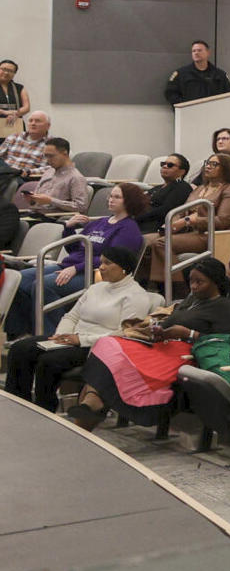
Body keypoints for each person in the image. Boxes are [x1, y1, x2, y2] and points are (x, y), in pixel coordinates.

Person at [67, 258, 230, 431]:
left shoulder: (223, 306)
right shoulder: (191, 300)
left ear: (215, 282)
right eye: (191, 281)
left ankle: (91, 405)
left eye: (200, 282)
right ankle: (92, 402)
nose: (194, 286)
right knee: (106, 345)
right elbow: (170, 323)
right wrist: (159, 330)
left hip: (184, 355)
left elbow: (229, 343)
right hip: (161, 346)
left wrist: (188, 333)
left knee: (110, 368)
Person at [6, 245, 150, 411]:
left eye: (108, 263)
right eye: (101, 262)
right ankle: (18, 405)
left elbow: (124, 334)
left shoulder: (136, 296)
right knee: (19, 349)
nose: (101, 267)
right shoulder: (96, 288)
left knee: (48, 362)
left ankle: (44, 409)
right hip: (73, 338)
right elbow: (72, 316)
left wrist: (81, 340)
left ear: (124, 268)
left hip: (98, 347)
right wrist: (61, 335)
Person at [4, 181, 145, 338]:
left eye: (117, 197)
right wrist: (69, 228)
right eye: (111, 196)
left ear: (129, 201)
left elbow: (112, 260)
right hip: (70, 266)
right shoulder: (100, 222)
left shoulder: (129, 229)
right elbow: (74, 249)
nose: (111, 200)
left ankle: (53, 334)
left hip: (94, 273)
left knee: (44, 285)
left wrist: (76, 268)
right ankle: (19, 331)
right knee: (18, 279)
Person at [144, 153, 230, 285]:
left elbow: (223, 221)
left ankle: (175, 288)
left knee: (161, 243)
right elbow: (182, 211)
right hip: (186, 231)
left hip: (208, 235)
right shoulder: (201, 188)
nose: (208, 166)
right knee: (144, 240)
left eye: (214, 164)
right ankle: (144, 284)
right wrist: (173, 223)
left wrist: (192, 221)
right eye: (207, 163)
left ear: (227, 168)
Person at [11, 135, 87, 217]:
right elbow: (38, 202)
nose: (47, 160)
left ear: (64, 154)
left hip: (55, 218)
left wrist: (51, 201)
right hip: (36, 214)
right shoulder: (48, 172)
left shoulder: (76, 177)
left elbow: (81, 207)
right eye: (45, 156)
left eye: (51, 156)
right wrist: (32, 200)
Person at [137, 153, 194, 235]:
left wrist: (137, 217)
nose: (165, 166)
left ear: (182, 172)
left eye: (170, 165)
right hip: (141, 222)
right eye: (163, 164)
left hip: (156, 226)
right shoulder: (158, 187)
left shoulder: (182, 187)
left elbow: (164, 210)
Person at [164, 40, 230, 104]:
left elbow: (229, 95)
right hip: (189, 111)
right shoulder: (181, 74)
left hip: (213, 111)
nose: (196, 53)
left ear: (208, 53)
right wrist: (184, 106)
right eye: (194, 51)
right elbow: (170, 93)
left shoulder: (219, 74)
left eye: (199, 50)